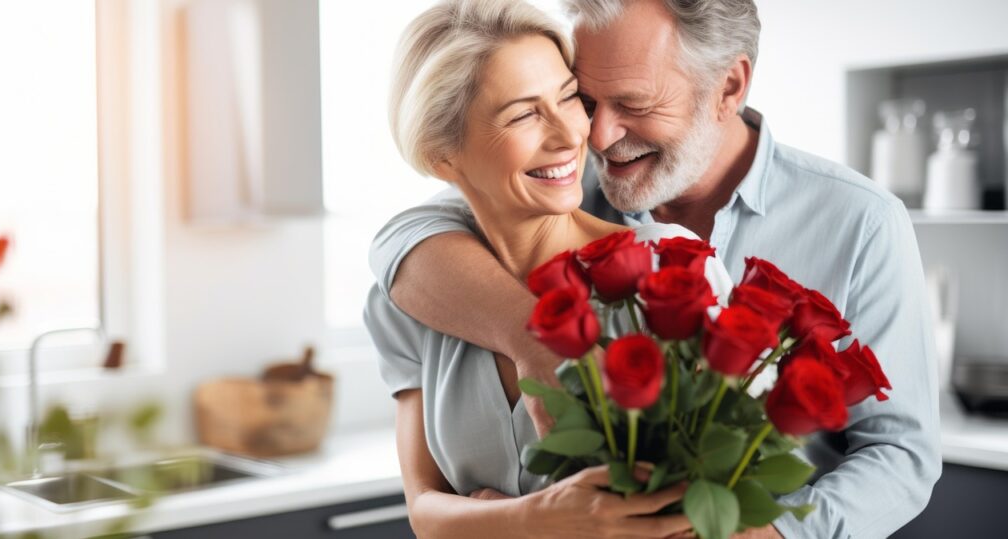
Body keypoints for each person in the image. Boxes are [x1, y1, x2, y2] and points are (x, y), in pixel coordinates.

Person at [367, 0, 942, 538]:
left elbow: (901, 455)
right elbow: (405, 236)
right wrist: (538, 342)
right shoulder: (556, 190)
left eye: (634, 104)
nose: (592, 135)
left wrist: (771, 532)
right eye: (588, 98)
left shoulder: (860, 222)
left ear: (729, 87)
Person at [364, 1, 734, 536]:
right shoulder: (410, 298)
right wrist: (537, 520)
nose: (572, 134)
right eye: (523, 113)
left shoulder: (668, 273)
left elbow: (709, 513)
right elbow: (425, 512)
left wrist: (485, 524)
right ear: (443, 155)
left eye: (569, 98)